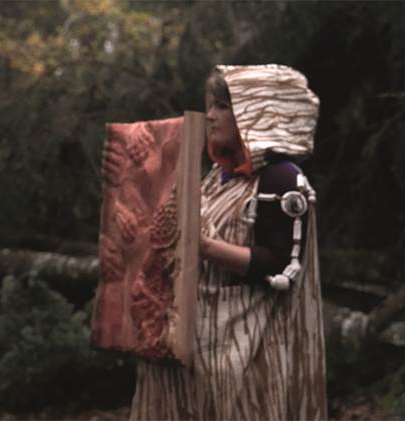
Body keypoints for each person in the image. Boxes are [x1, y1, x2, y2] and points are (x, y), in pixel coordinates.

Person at [130, 64, 327, 420]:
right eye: (211, 105)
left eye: (224, 105)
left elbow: (281, 264)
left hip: (250, 349)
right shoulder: (217, 177)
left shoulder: (281, 178)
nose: (211, 115)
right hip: (198, 339)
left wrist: (202, 247)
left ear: (259, 112)